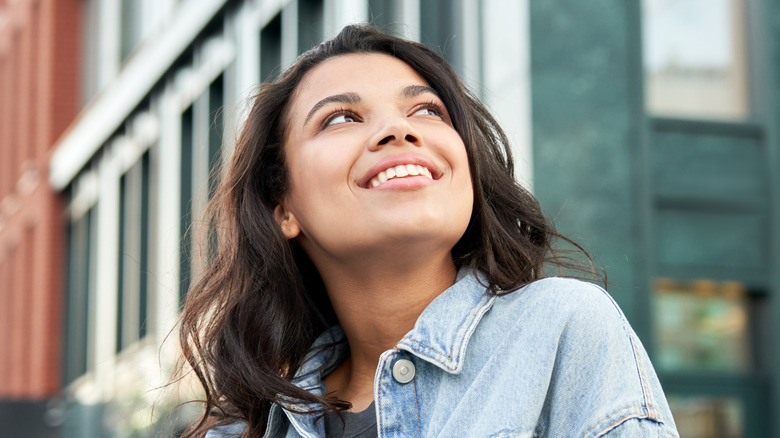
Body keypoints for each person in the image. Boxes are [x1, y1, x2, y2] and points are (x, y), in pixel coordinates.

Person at [178, 25, 679, 438]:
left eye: (427, 110)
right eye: (340, 118)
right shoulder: (246, 429)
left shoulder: (563, 328)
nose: (400, 130)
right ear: (282, 206)